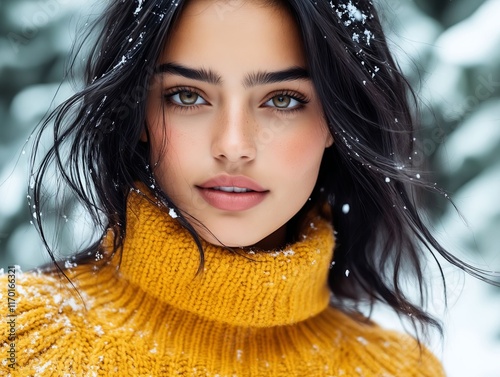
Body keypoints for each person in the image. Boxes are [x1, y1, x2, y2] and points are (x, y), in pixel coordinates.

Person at [1, 0, 492, 375]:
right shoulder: (15, 335)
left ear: (335, 122)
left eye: (281, 100)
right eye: (188, 95)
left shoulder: (400, 370)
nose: (233, 146)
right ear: (140, 113)